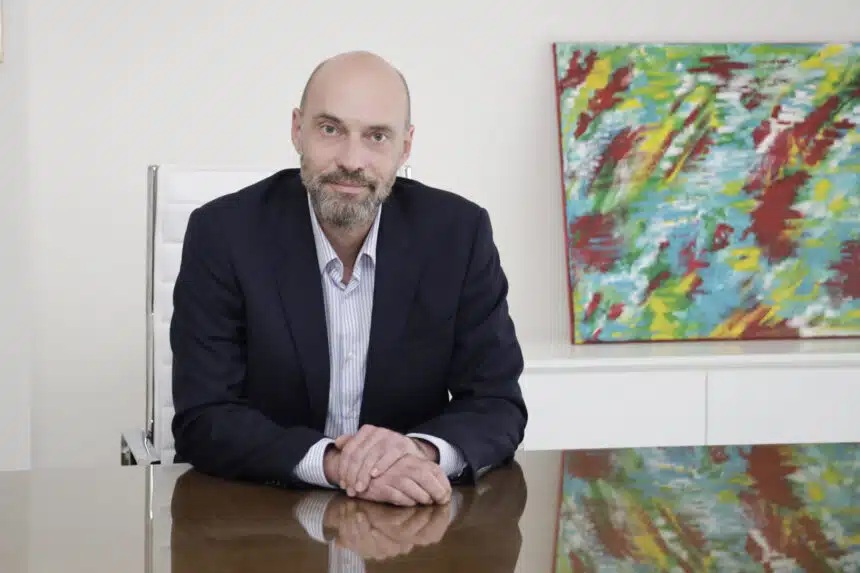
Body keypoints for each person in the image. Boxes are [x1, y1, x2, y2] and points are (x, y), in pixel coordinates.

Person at [169, 50, 527, 507]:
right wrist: (336, 464)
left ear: (405, 146)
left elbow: (497, 403)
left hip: (408, 517)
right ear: (297, 129)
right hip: (262, 510)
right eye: (330, 129)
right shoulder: (223, 234)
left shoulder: (459, 235)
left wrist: (417, 452)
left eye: (377, 136)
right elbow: (205, 416)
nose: (352, 160)